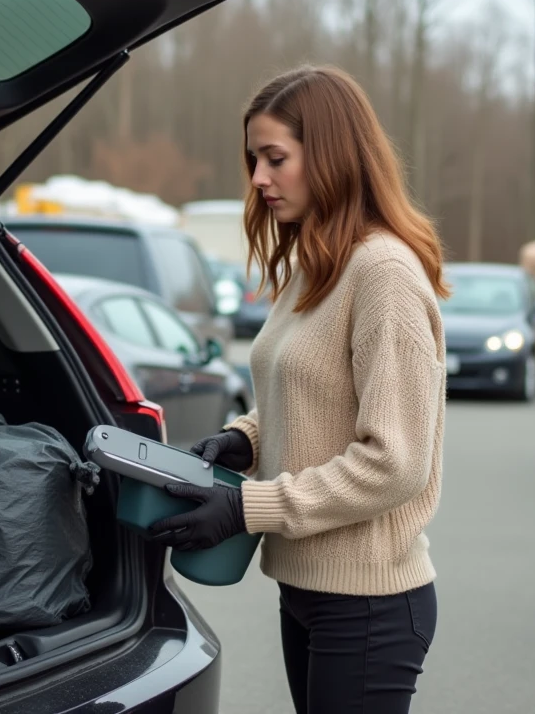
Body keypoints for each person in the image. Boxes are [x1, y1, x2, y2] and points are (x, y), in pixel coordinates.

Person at [148, 65, 449, 714]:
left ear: (334, 156)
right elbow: (309, 393)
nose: (258, 179)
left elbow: (395, 463)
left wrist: (245, 508)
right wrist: (241, 439)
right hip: (309, 589)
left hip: (369, 603)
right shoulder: (315, 266)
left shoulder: (383, 273)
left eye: (275, 158)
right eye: (254, 159)